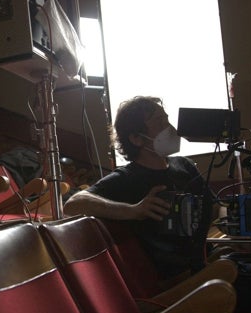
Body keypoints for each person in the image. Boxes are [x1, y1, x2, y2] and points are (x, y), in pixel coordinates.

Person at [63, 95, 213, 282]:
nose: (170, 128)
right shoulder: (126, 178)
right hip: (179, 282)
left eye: (167, 119)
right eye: (160, 123)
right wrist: (134, 210)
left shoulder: (185, 166)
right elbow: (72, 205)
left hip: (207, 265)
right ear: (136, 138)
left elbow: (214, 206)